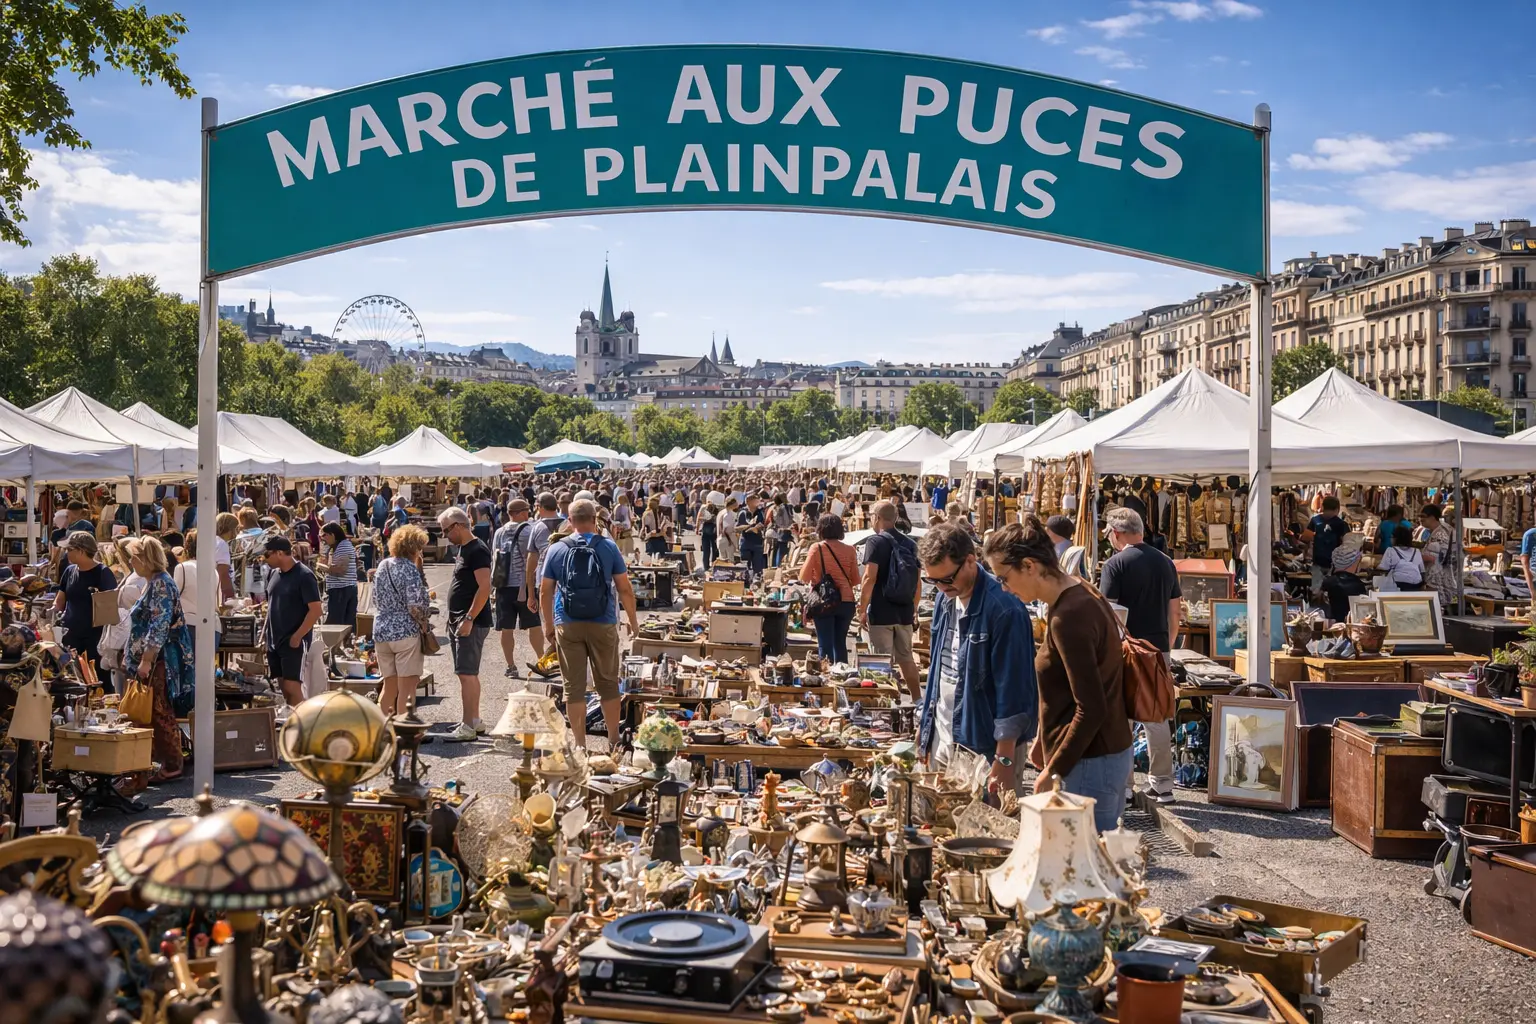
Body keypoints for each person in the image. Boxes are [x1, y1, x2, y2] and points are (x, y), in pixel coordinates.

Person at [983, 520, 1132, 830]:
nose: (1004, 587)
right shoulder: (1077, 591)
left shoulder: (1069, 615)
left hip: (1090, 762)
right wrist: (1044, 743)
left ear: (1029, 565)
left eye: (1004, 578)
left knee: (1079, 867)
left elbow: (1091, 707)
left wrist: (1054, 769)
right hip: (1100, 755)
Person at [915, 521, 1038, 796]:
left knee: (984, 833)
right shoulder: (944, 599)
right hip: (943, 733)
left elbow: (1015, 689)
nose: (941, 587)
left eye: (947, 578)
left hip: (983, 746)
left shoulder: (1005, 609)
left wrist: (1004, 758)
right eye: (932, 580)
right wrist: (926, 727)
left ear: (970, 561)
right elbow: (939, 669)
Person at [540, 499, 639, 748]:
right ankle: (614, 739)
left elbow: (545, 591)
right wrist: (633, 622)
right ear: (595, 520)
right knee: (607, 682)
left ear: (570, 521)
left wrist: (548, 626)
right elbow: (624, 589)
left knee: (573, 687)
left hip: (568, 621)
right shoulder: (608, 546)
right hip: (603, 621)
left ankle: (580, 744)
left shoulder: (556, 548)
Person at [1100, 507, 1180, 805]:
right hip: (1158, 649)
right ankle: (1163, 785)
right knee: (1156, 716)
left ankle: (1124, 786)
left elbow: (1110, 614)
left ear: (1116, 533)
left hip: (1127, 649)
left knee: (1123, 719)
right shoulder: (1166, 563)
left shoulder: (1115, 564)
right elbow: (1175, 612)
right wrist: (1166, 646)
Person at [123, 537, 192, 784]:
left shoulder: (161, 584)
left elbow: (159, 626)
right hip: (154, 659)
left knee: (158, 710)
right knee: (153, 710)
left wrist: (146, 660)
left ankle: (172, 763)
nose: (130, 562)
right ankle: (161, 760)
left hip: (158, 660)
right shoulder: (155, 582)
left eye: (132, 557)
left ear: (143, 559)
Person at [438, 506, 491, 741]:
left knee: (466, 674)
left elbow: (485, 587)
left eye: (446, 530)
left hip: (469, 619)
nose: (444, 535)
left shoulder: (476, 550)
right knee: (467, 673)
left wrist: (469, 618)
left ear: (458, 526)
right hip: (461, 618)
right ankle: (474, 720)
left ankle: (468, 725)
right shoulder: (465, 548)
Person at [859, 501, 922, 698]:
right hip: (904, 611)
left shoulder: (875, 542)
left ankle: (883, 705)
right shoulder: (911, 544)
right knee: (906, 658)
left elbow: (870, 577)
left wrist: (862, 609)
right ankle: (917, 699)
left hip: (881, 609)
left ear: (877, 517)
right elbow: (917, 583)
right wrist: (914, 609)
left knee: (881, 660)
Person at [373, 524, 433, 717]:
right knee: (407, 687)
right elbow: (415, 605)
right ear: (414, 548)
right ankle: (404, 728)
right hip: (405, 631)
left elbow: (376, 598)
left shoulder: (383, 565)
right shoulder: (410, 569)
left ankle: (376, 727)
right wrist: (424, 622)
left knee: (389, 686)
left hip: (382, 629)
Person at [261, 535, 322, 707]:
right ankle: (291, 720)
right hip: (275, 640)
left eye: (267, 554)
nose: (265, 559)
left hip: (293, 640)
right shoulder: (274, 574)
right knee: (283, 687)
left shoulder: (304, 576)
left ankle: (306, 722)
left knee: (292, 685)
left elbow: (316, 610)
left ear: (280, 553)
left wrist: (298, 636)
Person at [800, 513, 859, 664]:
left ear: (821, 529)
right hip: (847, 601)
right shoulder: (851, 550)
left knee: (825, 645)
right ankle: (842, 678)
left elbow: (804, 577)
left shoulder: (817, 548)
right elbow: (855, 579)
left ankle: (826, 679)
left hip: (824, 601)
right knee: (840, 643)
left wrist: (817, 578)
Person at [492, 499, 539, 680]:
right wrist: (530, 589)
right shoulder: (527, 530)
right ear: (519, 513)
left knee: (506, 628)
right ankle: (541, 661)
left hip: (503, 585)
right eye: (526, 510)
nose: (528, 513)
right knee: (534, 625)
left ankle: (511, 666)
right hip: (523, 585)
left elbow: (494, 558)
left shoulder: (499, 532)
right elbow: (531, 560)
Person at [54, 531, 116, 665]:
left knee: (96, 678)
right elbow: (60, 600)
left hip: (94, 639)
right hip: (70, 636)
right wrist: (52, 613)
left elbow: (109, 610)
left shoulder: (103, 573)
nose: (66, 553)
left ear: (81, 551)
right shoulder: (69, 571)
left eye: (69, 549)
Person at [171, 529, 220, 653]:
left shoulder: (182, 568)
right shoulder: (213, 571)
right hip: (213, 627)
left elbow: (174, 598)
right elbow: (217, 604)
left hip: (189, 625)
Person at [316, 522, 359, 626]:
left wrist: (319, 566)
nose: (322, 539)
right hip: (344, 588)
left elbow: (340, 570)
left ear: (332, 534)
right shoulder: (341, 546)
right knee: (345, 623)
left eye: (324, 535)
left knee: (336, 624)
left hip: (341, 589)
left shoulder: (343, 546)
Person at [1308, 495, 1350, 590]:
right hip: (1335, 563)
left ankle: (1316, 602)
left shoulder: (1315, 520)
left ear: (1323, 507)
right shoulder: (1342, 524)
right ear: (1337, 509)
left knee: (1316, 589)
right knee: (1334, 589)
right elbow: (1347, 543)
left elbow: (1305, 538)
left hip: (1317, 561)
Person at [1420, 503, 1457, 610]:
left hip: (1439, 578)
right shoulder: (1437, 531)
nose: (1420, 519)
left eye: (1423, 516)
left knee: (1437, 608)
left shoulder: (1441, 534)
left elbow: (1433, 557)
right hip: (1436, 577)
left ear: (1432, 517)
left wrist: (1414, 556)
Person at [1319, 546, 1369, 622]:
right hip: (1349, 625)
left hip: (1328, 624)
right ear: (1354, 562)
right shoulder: (1355, 584)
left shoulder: (1327, 581)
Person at [1380, 525, 1425, 591]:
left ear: (1395, 539)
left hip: (1397, 585)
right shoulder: (1417, 551)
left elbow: (1383, 568)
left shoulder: (1391, 550)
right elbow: (1422, 570)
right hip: (1416, 586)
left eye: (1391, 537)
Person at [1046, 515, 1087, 579]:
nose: (1046, 531)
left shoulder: (1076, 552)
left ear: (1054, 532)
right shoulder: (1076, 551)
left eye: (1048, 529)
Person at [738, 492, 768, 573]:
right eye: (756, 500)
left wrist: (757, 528)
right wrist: (749, 526)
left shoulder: (760, 512)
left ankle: (756, 581)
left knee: (758, 567)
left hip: (757, 542)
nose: (759, 502)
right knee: (745, 567)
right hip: (746, 542)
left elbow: (763, 524)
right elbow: (737, 528)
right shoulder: (743, 513)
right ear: (749, 502)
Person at [770, 493, 795, 568]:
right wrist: (787, 527)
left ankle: (777, 565)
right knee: (783, 550)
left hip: (779, 531)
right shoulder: (785, 507)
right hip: (785, 531)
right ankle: (779, 566)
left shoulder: (777, 508)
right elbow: (786, 520)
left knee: (779, 549)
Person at [717, 496, 741, 563]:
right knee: (730, 561)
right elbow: (727, 530)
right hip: (727, 540)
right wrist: (734, 542)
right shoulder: (729, 514)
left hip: (720, 538)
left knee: (722, 561)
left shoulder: (721, 513)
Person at [697, 500, 719, 566]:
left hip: (705, 529)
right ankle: (714, 563)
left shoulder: (704, 510)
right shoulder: (716, 512)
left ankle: (706, 565)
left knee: (706, 550)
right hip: (713, 530)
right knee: (714, 549)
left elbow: (699, 519)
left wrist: (697, 528)